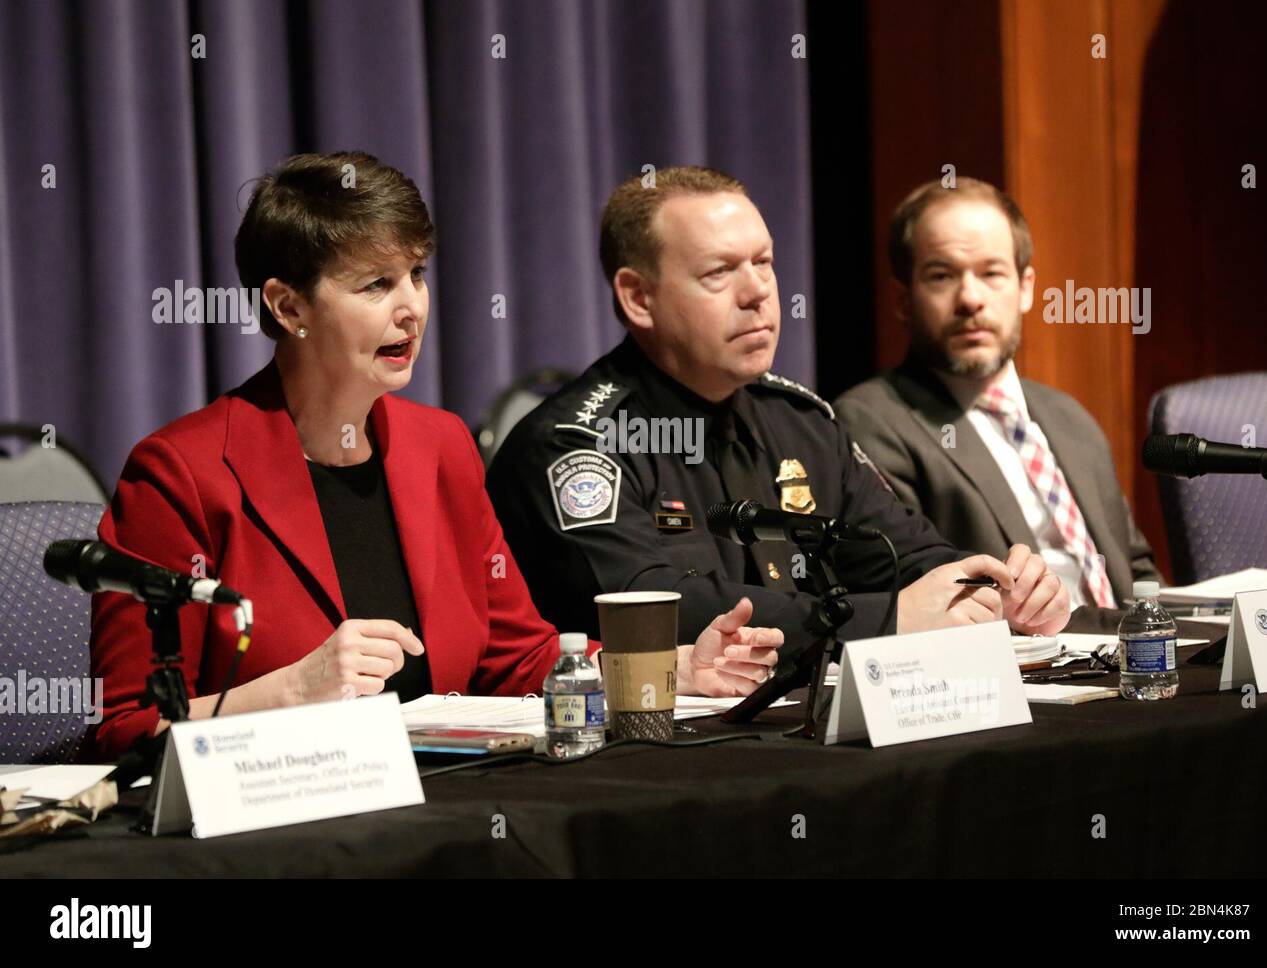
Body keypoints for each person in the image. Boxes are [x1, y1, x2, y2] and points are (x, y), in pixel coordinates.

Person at [88, 152, 782, 760]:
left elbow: (521, 657)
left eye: (416, 274)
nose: (412, 307)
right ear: (288, 306)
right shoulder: (181, 473)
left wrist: (672, 667)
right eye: (375, 285)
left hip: (441, 809)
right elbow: (126, 730)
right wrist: (295, 688)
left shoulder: (440, 447)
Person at [486, 166, 1071, 656]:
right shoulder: (578, 444)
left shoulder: (799, 421)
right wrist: (886, 619)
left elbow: (903, 554)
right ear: (638, 297)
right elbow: (650, 608)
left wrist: (993, 583)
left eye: (763, 263)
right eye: (720, 271)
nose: (758, 292)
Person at [834, 177, 1161, 608]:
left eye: (991, 273)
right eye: (941, 276)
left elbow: (1135, 571)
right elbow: (915, 593)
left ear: (1025, 288)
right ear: (902, 300)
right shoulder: (871, 421)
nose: (971, 298)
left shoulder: (1068, 416)